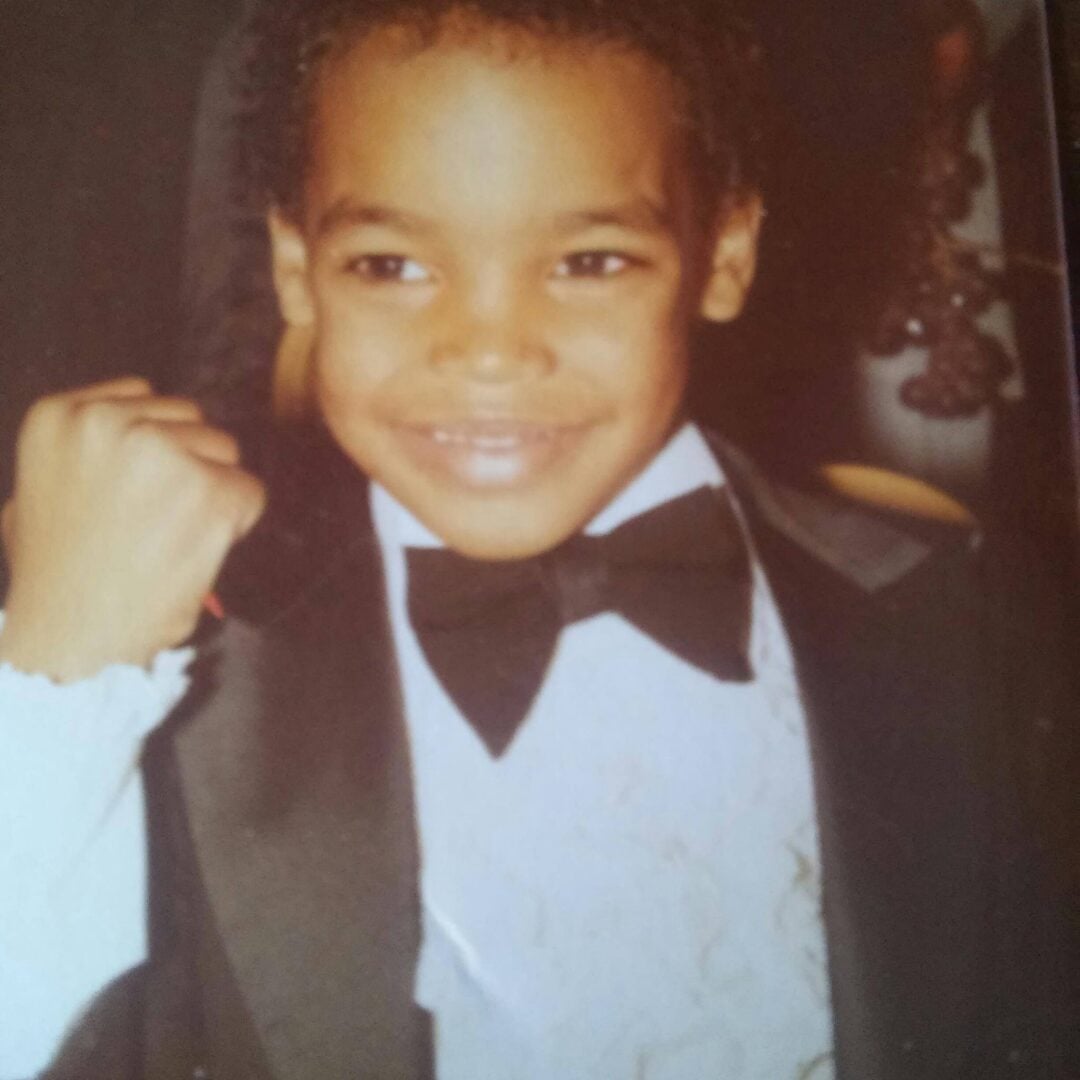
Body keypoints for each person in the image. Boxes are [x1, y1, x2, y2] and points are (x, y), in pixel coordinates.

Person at [0, 1, 1074, 1077]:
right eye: (392, 265)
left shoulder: (973, 627)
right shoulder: (157, 673)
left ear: (724, 252)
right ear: (296, 265)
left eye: (590, 262)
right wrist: (47, 684)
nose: (489, 352)